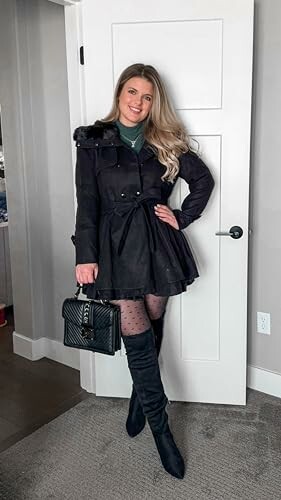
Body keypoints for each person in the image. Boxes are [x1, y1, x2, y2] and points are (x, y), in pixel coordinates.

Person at [73, 63, 214, 479]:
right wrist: (86, 255)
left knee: (153, 327)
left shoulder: (164, 140)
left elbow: (202, 180)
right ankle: (162, 432)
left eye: (147, 96)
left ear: (155, 103)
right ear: (119, 94)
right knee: (138, 341)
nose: (138, 102)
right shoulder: (93, 140)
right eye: (132, 92)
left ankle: (140, 396)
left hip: (157, 246)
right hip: (114, 251)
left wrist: (182, 217)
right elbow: (88, 203)